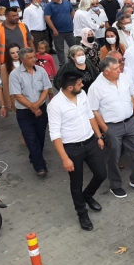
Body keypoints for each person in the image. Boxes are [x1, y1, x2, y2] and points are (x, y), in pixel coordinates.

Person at [48, 71, 106, 230]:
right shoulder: (55, 105)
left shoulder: (82, 95)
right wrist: (64, 158)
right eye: (79, 84)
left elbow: (90, 116)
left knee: (101, 174)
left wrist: (99, 136)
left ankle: (87, 195)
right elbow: (55, 133)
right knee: (76, 184)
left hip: (90, 142)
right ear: (69, 87)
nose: (82, 86)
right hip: (72, 149)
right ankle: (82, 214)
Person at [88, 56, 134, 199]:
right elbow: (93, 111)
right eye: (115, 68)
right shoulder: (95, 88)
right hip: (112, 126)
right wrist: (105, 129)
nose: (119, 69)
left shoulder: (124, 78)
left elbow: (130, 96)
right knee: (114, 157)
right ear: (106, 72)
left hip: (130, 121)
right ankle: (115, 185)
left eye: (119, 67)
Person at [10, 47, 52, 176]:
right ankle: (40, 167)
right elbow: (17, 94)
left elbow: (46, 88)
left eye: (34, 56)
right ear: (22, 59)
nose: (34, 59)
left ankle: (34, 156)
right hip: (24, 112)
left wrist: (38, 105)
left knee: (40, 135)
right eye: (30, 58)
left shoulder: (41, 70)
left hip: (41, 108)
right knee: (30, 138)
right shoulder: (15, 74)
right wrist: (33, 107)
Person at [0, 6, 34, 72]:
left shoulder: (23, 26)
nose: (17, 17)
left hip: (24, 61)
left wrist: (33, 58)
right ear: (6, 16)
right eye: (14, 16)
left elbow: (30, 43)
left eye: (17, 15)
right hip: (7, 63)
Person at [0, 43, 20, 114]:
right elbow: (5, 85)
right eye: (12, 53)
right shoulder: (4, 67)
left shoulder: (26, 62)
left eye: (17, 52)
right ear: (8, 54)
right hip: (15, 97)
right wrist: (8, 103)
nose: (16, 54)